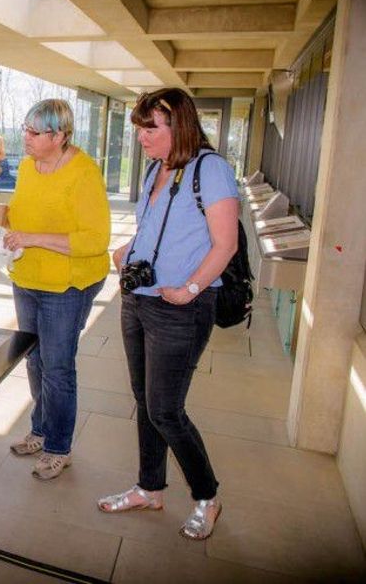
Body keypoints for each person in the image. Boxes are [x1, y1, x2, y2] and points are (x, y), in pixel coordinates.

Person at [97, 88, 238, 541]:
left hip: (182, 308)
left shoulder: (210, 170)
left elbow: (226, 244)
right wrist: (126, 252)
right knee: (145, 401)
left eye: (149, 126)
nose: (140, 135)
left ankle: (207, 497)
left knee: (166, 410)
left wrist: (192, 288)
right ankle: (150, 487)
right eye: (138, 125)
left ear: (179, 125)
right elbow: (152, 229)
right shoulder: (156, 170)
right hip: (139, 300)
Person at [3, 99, 110, 481]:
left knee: (58, 366)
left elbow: (95, 240)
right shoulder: (29, 167)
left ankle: (58, 447)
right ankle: (41, 427)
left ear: (60, 136)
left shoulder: (84, 174)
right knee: (34, 360)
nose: (26, 137)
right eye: (25, 128)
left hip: (68, 285)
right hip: (27, 279)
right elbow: (19, 212)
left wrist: (32, 237)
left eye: (35, 132)